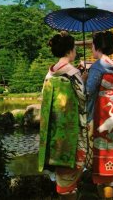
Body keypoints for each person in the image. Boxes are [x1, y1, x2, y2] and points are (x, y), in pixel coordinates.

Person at [38, 31, 89, 200]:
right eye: (74, 48)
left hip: (54, 129)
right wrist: (84, 79)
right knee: (73, 166)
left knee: (60, 166)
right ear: (69, 51)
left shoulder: (49, 74)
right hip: (72, 128)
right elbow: (83, 101)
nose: (75, 51)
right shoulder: (73, 73)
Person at [85, 31, 113, 198]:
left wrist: (83, 79)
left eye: (92, 45)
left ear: (97, 47)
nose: (91, 48)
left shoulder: (97, 66)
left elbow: (89, 93)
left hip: (100, 119)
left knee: (102, 171)